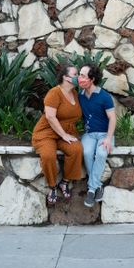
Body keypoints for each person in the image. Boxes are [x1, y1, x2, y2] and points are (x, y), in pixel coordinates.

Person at [32, 64, 83, 205]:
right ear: (66, 77)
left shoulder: (75, 94)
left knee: (76, 149)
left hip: (67, 132)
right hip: (47, 132)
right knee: (48, 155)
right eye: (75, 74)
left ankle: (65, 182)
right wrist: (64, 135)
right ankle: (52, 185)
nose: (78, 77)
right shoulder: (54, 93)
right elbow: (50, 117)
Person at [78, 63, 116, 207]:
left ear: (92, 79)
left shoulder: (104, 96)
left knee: (100, 154)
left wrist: (108, 138)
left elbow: (112, 118)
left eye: (83, 75)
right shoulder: (80, 96)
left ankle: (91, 189)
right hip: (89, 134)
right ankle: (98, 186)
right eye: (79, 74)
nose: (79, 78)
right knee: (87, 152)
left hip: (105, 134)